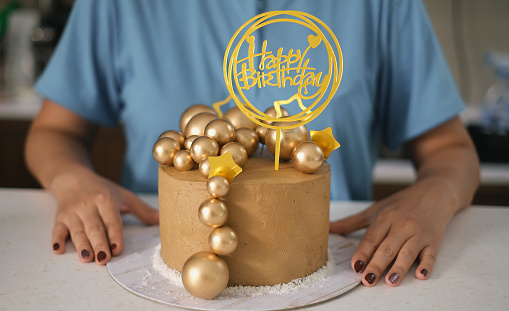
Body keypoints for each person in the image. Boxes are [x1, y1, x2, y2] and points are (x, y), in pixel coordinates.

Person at [25, 0, 479, 288]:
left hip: (342, 276)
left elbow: (450, 151)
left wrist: (436, 196)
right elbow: (54, 132)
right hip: (150, 274)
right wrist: (72, 181)